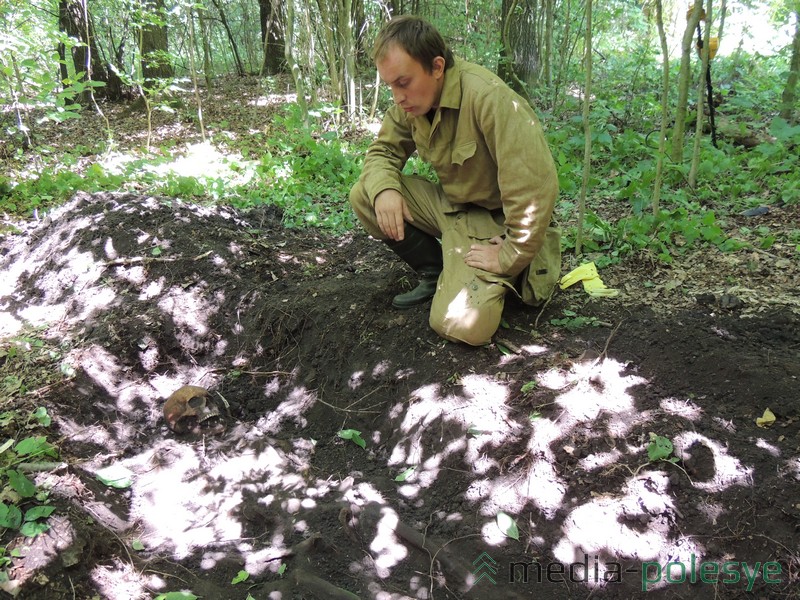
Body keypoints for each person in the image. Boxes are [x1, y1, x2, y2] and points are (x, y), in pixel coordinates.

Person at [349, 15, 561, 346]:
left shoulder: (489, 99)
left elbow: (534, 188)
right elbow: (381, 154)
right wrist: (385, 189)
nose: (397, 97)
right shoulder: (411, 104)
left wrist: (509, 254)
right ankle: (437, 272)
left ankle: (488, 276)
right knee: (366, 195)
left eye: (403, 83)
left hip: (494, 224)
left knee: (462, 326)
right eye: (390, 86)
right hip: (453, 209)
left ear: (436, 67)